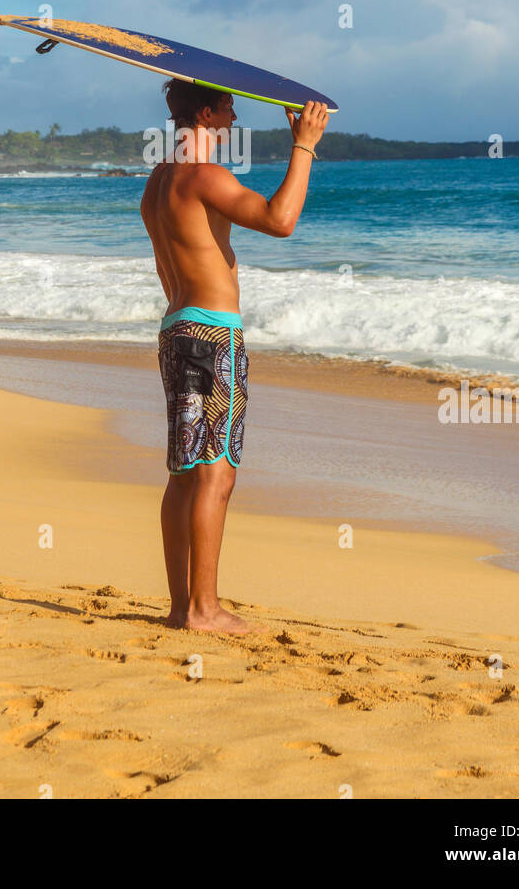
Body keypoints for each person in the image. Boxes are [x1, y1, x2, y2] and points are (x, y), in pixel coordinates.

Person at [140, 80, 329, 632]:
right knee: (215, 474)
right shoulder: (204, 176)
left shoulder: (159, 182)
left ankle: (183, 606)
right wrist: (306, 146)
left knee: (184, 473)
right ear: (205, 113)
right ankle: (204, 609)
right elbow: (280, 220)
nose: (233, 115)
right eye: (227, 106)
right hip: (212, 335)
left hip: (176, 329)